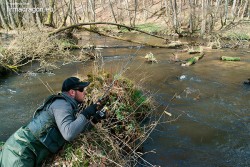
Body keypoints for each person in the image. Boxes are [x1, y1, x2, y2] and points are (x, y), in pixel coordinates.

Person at [0, 76, 106, 166]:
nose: (85, 92)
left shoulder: (67, 107)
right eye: (82, 89)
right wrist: (86, 114)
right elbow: (68, 134)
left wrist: (94, 120)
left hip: (23, 152)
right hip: (18, 152)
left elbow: (75, 130)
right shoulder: (62, 105)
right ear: (72, 92)